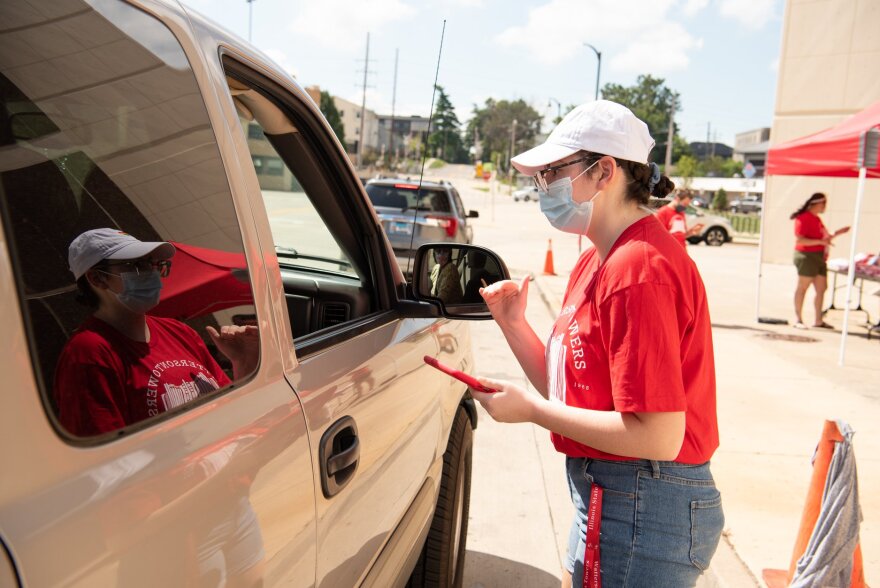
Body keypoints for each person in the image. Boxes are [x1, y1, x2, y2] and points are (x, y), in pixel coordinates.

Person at [472, 101, 723, 587]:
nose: (544, 187)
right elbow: (571, 391)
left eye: (553, 173)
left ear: (604, 170)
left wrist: (532, 412)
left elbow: (657, 435)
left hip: (645, 503)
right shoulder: (598, 261)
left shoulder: (639, 268)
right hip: (612, 495)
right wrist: (513, 324)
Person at [54, 228, 259, 436]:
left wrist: (244, 363)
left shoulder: (179, 331)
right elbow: (104, 454)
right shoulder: (88, 352)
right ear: (97, 279)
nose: (152, 273)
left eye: (154, 264)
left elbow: (230, 411)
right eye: (136, 265)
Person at [790, 192, 850, 329]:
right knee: (803, 287)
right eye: (824, 203)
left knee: (821, 288)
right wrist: (820, 242)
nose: (825, 207)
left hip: (819, 256)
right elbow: (800, 239)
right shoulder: (803, 218)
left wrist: (838, 233)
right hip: (806, 255)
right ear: (816, 203)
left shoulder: (817, 219)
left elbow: (824, 238)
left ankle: (818, 320)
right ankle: (798, 319)